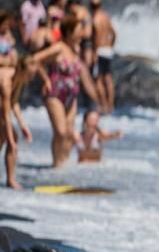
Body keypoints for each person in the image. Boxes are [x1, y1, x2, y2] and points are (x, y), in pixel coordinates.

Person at [24, 12, 99, 167]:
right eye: (79, 30)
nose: (82, 33)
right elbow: (35, 59)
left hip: (72, 97)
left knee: (70, 134)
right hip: (55, 95)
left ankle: (64, 163)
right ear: (70, 32)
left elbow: (82, 75)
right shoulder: (58, 48)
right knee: (61, 131)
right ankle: (56, 165)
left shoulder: (76, 50)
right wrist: (45, 80)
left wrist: (96, 98)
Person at [1, 14, 35, 189]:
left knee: (8, 137)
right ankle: (10, 179)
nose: (32, 78)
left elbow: (14, 103)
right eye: (30, 74)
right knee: (10, 137)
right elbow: (6, 112)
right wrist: (12, 138)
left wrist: (23, 125)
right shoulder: (6, 81)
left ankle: (10, 179)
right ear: (22, 69)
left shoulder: (19, 79)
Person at [90, 0, 116, 114]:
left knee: (98, 79)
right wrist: (111, 45)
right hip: (108, 50)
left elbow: (95, 39)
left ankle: (103, 104)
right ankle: (111, 105)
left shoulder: (94, 19)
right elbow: (114, 32)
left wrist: (94, 53)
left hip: (99, 50)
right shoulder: (106, 16)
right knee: (108, 78)